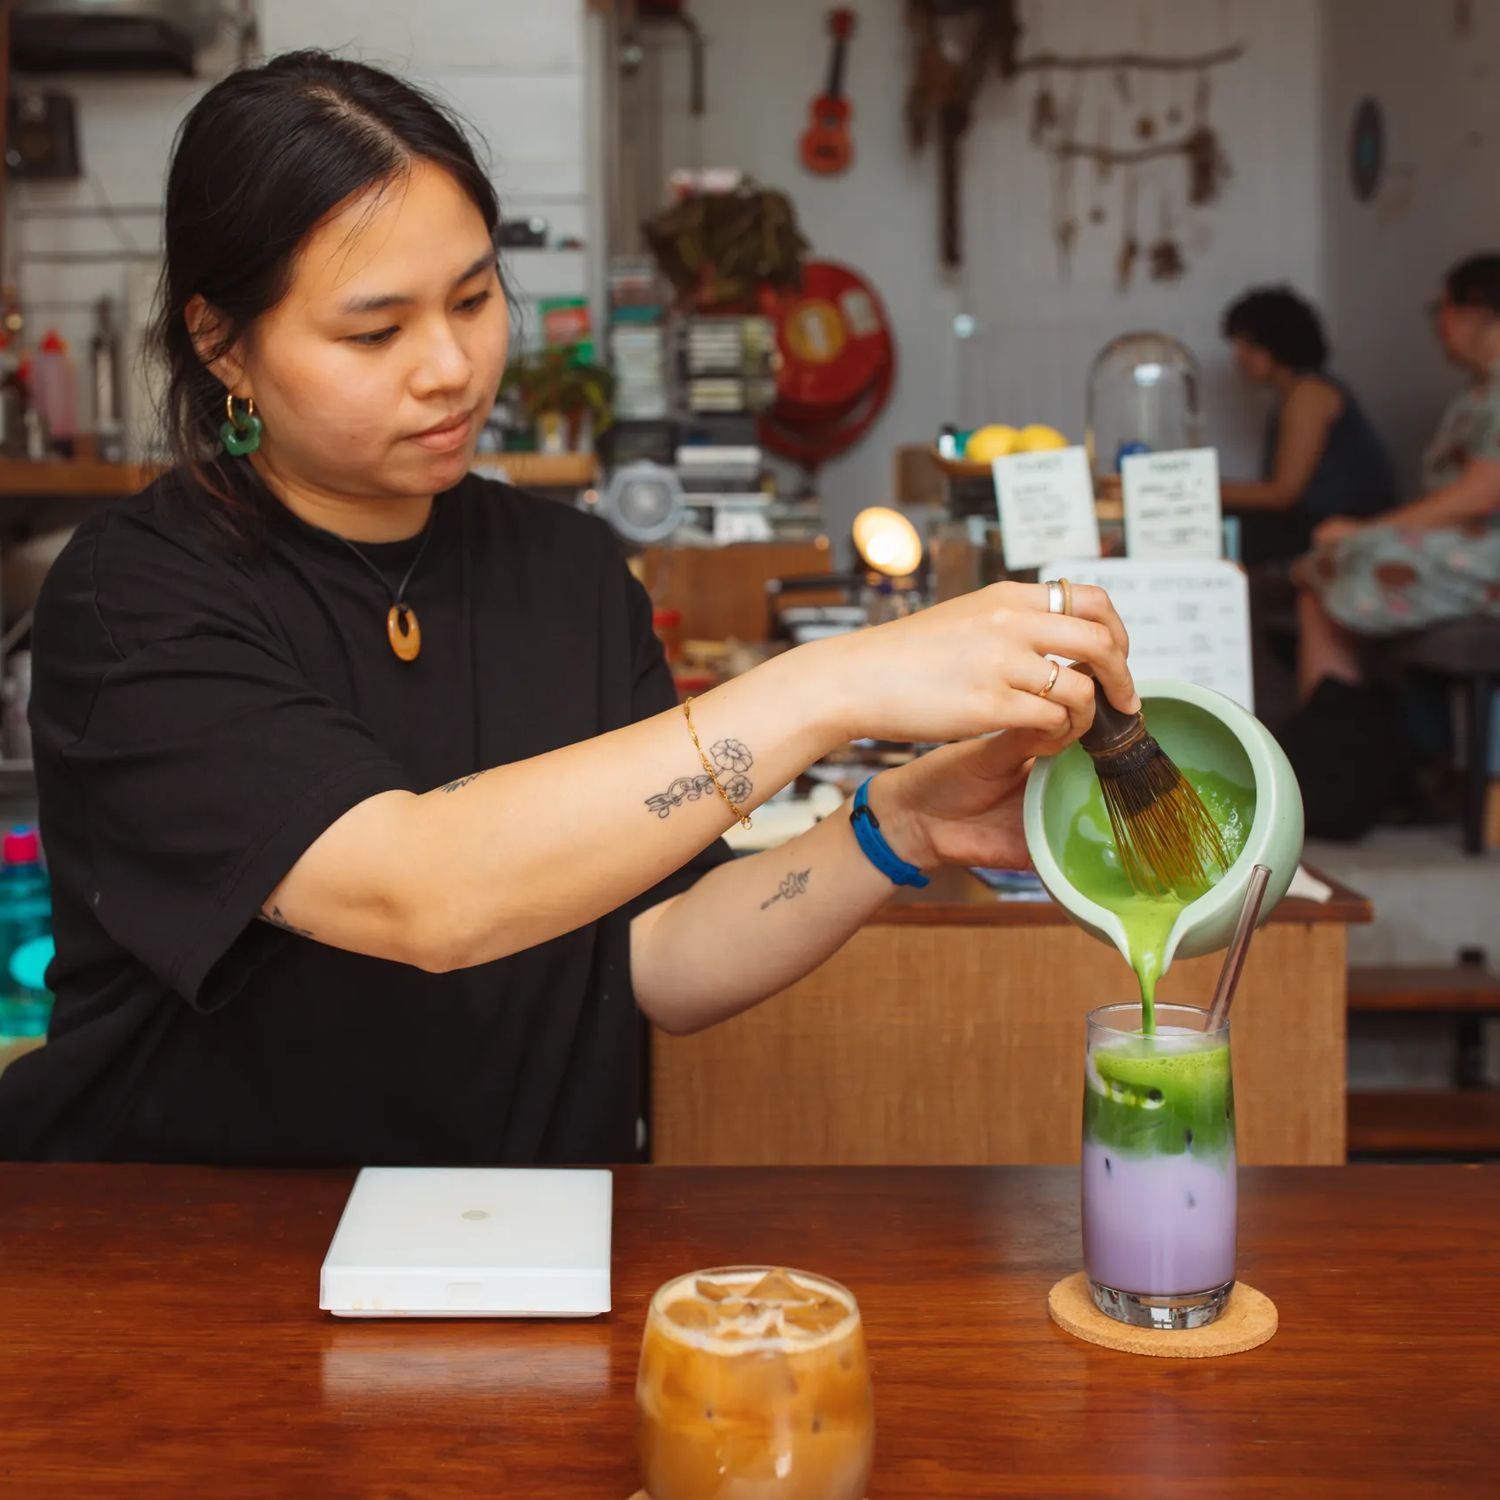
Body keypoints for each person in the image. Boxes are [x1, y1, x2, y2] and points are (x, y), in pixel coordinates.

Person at [0, 52, 1135, 1165]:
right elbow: (422, 894)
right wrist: (833, 683)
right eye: (374, 331)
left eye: (474, 297)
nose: (450, 366)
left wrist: (898, 827)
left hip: (520, 1256)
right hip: (190, 1271)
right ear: (220, 344)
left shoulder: (568, 567)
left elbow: (662, 954)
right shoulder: (133, 598)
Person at [1295, 255, 1500, 697]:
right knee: (1329, 566)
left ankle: (1336, 740)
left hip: (1487, 549)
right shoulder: (1481, 390)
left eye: (1441, 310)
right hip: (1471, 540)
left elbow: (1481, 495)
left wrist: (1367, 529)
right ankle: (1334, 735)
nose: (1439, 326)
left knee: (1344, 559)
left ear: (1475, 310)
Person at [1219, 286, 1396, 569]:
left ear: (1274, 343)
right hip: (1315, 518)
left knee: (1222, 528)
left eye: (1247, 345)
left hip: (1339, 523)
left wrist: (1199, 490)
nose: (1239, 357)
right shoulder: (1295, 392)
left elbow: (1282, 493)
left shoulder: (1309, 393)